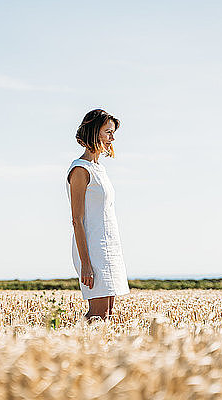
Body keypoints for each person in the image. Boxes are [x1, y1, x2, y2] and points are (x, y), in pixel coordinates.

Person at [65, 109, 130, 322]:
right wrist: (86, 262)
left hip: (109, 247)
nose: (112, 138)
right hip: (93, 250)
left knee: (108, 316)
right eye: (108, 132)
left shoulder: (99, 168)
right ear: (94, 133)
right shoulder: (81, 170)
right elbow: (77, 220)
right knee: (98, 315)